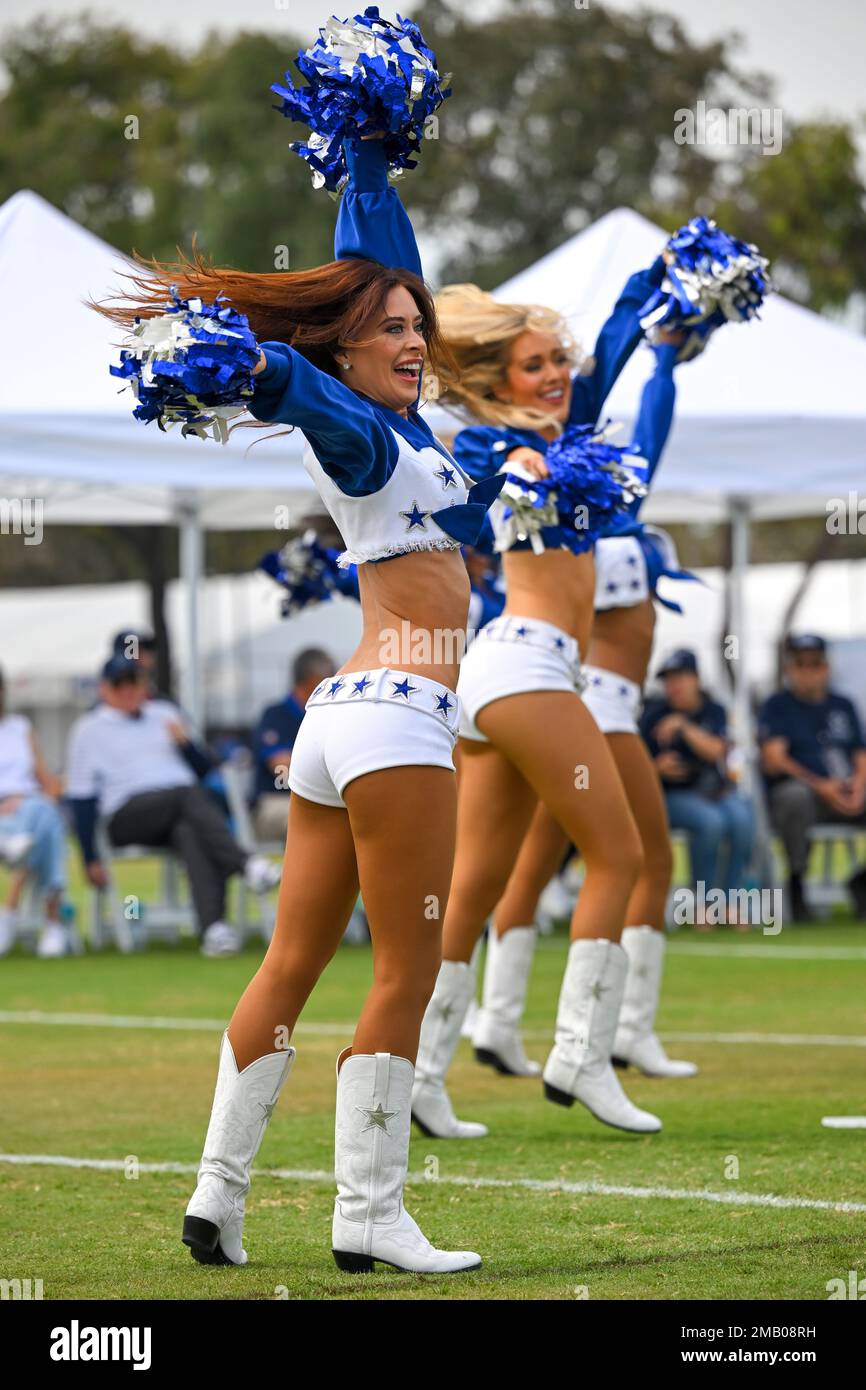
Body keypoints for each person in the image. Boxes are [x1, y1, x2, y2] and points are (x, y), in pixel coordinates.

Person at [94, 124, 501, 1272]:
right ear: (345, 351)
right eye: (392, 332)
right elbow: (300, 387)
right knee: (404, 972)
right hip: (395, 721)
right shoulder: (362, 431)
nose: (414, 342)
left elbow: (377, 258)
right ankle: (367, 1215)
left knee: (289, 964)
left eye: (419, 327)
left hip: (338, 722)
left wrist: (369, 161)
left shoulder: (409, 426)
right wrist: (252, 366)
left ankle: (215, 1197)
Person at [409, 264, 680, 1143]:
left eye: (556, 359)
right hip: (526, 670)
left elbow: (611, 371)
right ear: (497, 382)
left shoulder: (570, 432)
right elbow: (492, 467)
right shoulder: (494, 442)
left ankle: (419, 1074)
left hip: (508, 682)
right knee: (622, 856)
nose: (556, 373)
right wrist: (514, 458)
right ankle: (581, 1055)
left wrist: (657, 293)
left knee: (475, 885)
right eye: (534, 365)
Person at [471, 344, 700, 1082]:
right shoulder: (579, 506)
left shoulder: (598, 496)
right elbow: (645, 448)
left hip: (578, 699)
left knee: (527, 869)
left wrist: (664, 363)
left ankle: (497, 1022)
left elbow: (644, 448)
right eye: (535, 365)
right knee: (644, 859)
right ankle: (617, 1035)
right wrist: (657, 365)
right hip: (586, 702)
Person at [66, 657, 280, 957]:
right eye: (119, 684)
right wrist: (90, 857)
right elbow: (82, 797)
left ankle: (214, 929)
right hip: (126, 815)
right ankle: (246, 864)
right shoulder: (88, 730)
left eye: (135, 682)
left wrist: (186, 745)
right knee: (187, 795)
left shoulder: (165, 714)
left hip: (180, 811)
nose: (128, 690)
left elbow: (206, 769)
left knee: (189, 831)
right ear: (104, 689)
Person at [640, 649, 755, 924]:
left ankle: (732, 899)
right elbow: (633, 763)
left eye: (680, 677)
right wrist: (656, 768)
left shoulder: (714, 710)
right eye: (668, 679)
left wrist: (684, 728)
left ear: (695, 679)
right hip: (669, 795)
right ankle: (703, 902)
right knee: (710, 822)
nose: (674, 685)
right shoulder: (652, 713)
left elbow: (719, 752)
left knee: (742, 817)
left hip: (712, 790)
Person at [758, 633, 866, 921]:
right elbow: (774, 758)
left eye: (814, 665)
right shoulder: (777, 706)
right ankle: (796, 882)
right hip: (805, 794)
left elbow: (860, 752)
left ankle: (862, 881)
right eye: (800, 665)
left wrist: (859, 785)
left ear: (826, 668)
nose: (808, 673)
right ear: (789, 669)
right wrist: (821, 787)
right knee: (794, 796)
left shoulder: (843, 705)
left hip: (846, 789)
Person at [0, 667, 70, 958]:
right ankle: (52, 922)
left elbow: (46, 780)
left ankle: (9, 912)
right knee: (47, 823)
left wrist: (49, 796)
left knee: (42, 814)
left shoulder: (21, 727)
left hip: (27, 809)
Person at [252, 648, 335, 841]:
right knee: (319, 821)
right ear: (315, 679)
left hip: (316, 800)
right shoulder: (275, 715)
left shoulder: (326, 716)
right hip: (274, 803)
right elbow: (281, 768)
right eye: (331, 674)